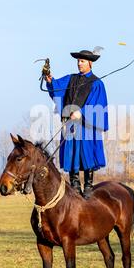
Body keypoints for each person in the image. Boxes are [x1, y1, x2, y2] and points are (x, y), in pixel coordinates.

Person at [45, 49, 109, 199]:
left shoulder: (97, 83)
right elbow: (57, 88)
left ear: (90, 63)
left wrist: (82, 113)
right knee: (71, 153)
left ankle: (88, 185)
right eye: (78, 61)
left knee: (87, 154)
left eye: (83, 61)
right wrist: (50, 80)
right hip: (71, 126)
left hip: (87, 127)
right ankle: (74, 184)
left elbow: (99, 106)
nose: (79, 64)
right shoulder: (70, 79)